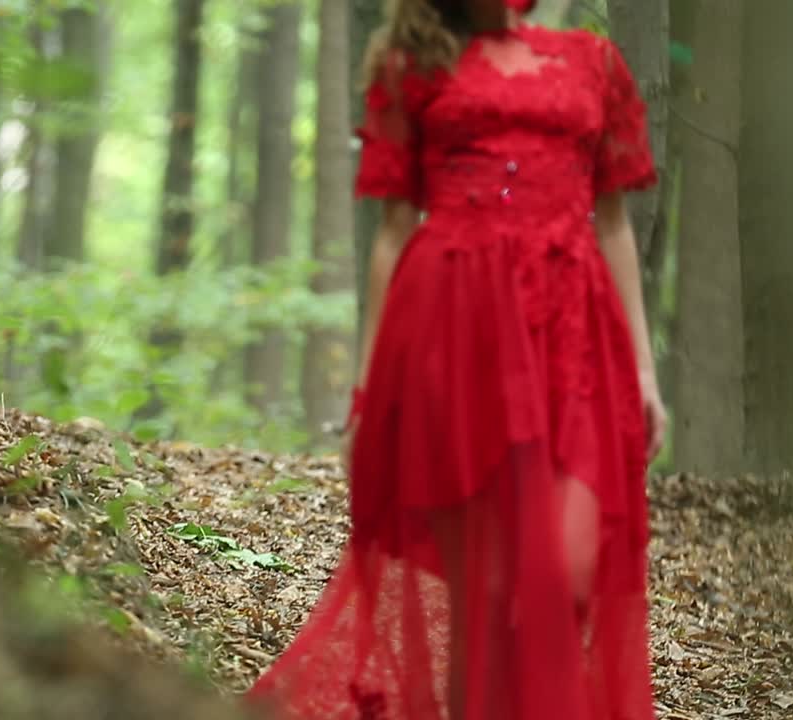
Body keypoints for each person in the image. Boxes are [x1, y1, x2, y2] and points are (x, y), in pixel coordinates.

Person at [246, 0, 667, 718]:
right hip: (453, 333)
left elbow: (615, 225)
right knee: (490, 589)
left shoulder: (592, 62)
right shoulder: (412, 64)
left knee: (566, 570)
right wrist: (365, 391)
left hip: (574, 333)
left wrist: (644, 371)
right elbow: (392, 233)